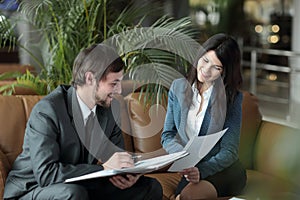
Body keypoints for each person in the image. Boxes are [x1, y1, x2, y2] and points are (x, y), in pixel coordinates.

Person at [4, 44, 163, 200]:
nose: (120, 90)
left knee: (149, 187)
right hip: (33, 189)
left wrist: (127, 172)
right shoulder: (47, 111)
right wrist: (102, 168)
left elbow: (115, 158)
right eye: (114, 83)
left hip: (80, 183)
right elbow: (47, 174)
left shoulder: (109, 110)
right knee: (73, 193)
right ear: (89, 78)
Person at [161, 33, 247, 200]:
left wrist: (201, 170)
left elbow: (229, 151)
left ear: (225, 72)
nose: (206, 70)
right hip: (190, 170)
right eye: (205, 60)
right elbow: (167, 135)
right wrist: (183, 158)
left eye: (217, 67)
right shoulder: (178, 88)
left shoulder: (232, 98)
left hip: (224, 170)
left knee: (190, 197)